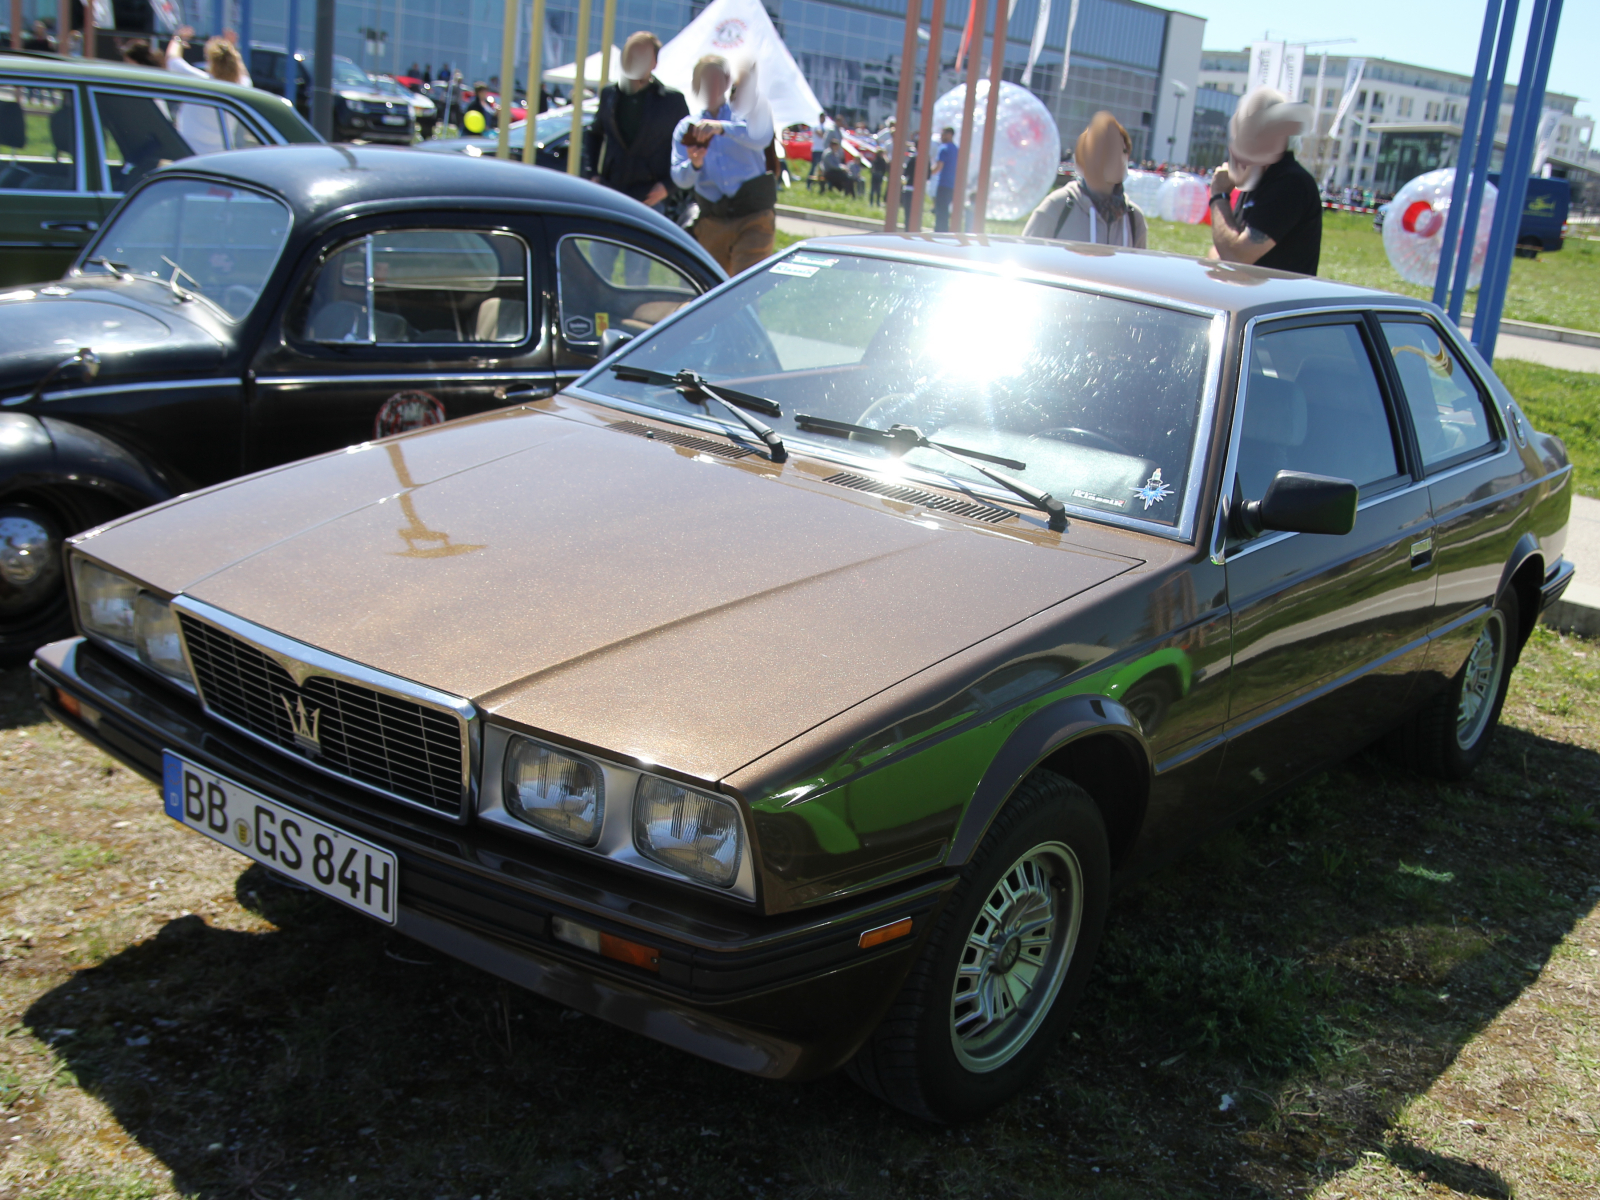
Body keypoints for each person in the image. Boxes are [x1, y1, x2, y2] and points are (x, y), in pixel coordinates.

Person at [671, 54, 776, 275]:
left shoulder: (746, 113)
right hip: (713, 220)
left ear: (728, 82)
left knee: (744, 288)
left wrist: (722, 128)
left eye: (716, 78)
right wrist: (695, 164)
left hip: (753, 216)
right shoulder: (686, 127)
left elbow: (762, 137)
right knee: (712, 290)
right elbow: (680, 179)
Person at [1208, 88, 1321, 275]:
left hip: (1277, 301)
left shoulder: (1291, 183)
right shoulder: (1259, 178)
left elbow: (1236, 257)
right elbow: (1222, 249)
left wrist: (1219, 195)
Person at [584, 31, 689, 214]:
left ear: (654, 63)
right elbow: (594, 134)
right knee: (602, 242)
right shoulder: (610, 94)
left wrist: (668, 186)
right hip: (611, 191)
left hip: (650, 198)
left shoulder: (672, 101)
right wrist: (592, 174)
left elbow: (688, 147)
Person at [1022, 111, 1147, 247]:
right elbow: (1026, 257)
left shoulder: (1134, 218)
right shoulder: (1058, 206)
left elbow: (1140, 267)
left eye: (1123, 151)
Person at [927, 125, 958, 232]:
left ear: (950, 135)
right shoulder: (956, 149)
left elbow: (939, 166)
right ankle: (945, 231)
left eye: (944, 134)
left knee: (940, 211)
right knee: (946, 210)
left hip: (944, 184)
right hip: (953, 185)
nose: (942, 136)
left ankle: (940, 231)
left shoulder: (944, 148)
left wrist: (927, 173)